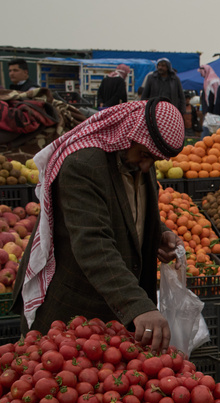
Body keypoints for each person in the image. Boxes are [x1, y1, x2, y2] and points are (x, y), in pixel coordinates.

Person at [13, 99, 185, 350]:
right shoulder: (83, 165)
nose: (147, 166)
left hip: (114, 312)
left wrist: (159, 232)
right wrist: (138, 305)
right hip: (73, 311)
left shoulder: (137, 157)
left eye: (154, 160)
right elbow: (94, 244)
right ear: (128, 134)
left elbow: (127, 210)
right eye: (146, 155)